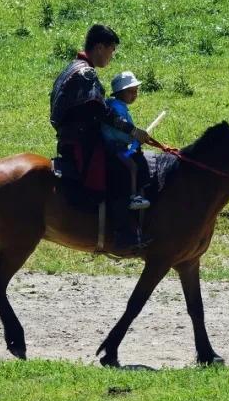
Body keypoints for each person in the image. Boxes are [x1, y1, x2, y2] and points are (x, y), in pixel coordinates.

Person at [49, 24, 154, 249]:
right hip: (83, 142)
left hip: (69, 138)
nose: (111, 56)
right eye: (111, 50)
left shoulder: (71, 68)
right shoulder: (86, 73)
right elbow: (102, 112)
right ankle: (123, 233)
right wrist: (132, 131)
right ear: (99, 47)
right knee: (120, 170)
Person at [102, 71, 151, 211]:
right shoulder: (116, 108)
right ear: (119, 93)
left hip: (120, 145)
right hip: (114, 147)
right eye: (130, 91)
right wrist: (134, 137)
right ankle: (133, 196)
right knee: (132, 166)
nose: (134, 95)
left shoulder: (118, 106)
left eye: (136, 91)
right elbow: (120, 131)